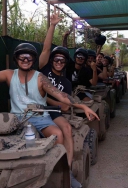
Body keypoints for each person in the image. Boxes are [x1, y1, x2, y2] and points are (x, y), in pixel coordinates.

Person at [0, 43, 99, 188]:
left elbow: (61, 96)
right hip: (15, 118)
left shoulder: (40, 78)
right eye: (22, 56)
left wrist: (81, 106)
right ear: (16, 58)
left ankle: (64, 174)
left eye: (29, 57)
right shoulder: (9, 74)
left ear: (33, 60)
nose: (25, 60)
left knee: (57, 134)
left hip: (39, 116)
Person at [38, 12, 82, 188]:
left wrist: (45, 96)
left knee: (67, 129)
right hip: (35, 109)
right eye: (56, 59)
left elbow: (64, 106)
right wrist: (53, 25)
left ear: (65, 63)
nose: (58, 62)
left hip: (53, 112)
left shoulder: (65, 82)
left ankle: (67, 172)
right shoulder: (43, 70)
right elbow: (46, 49)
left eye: (62, 60)